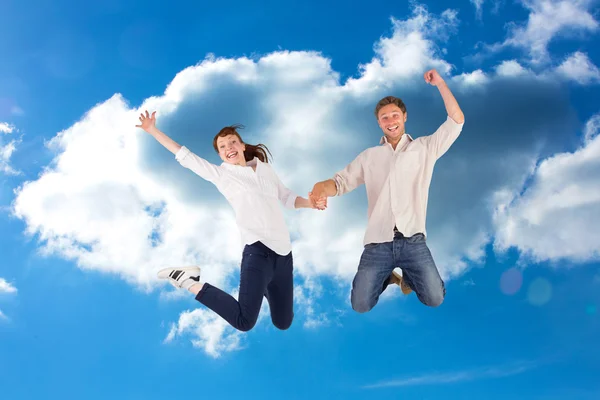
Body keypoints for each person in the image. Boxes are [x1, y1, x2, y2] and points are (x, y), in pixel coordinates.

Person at [136, 111, 326, 332]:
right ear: (220, 155)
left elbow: (286, 197)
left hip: (284, 255)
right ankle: (187, 280)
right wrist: (152, 130)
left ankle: (258, 287)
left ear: (243, 146)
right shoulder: (222, 175)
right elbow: (185, 156)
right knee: (244, 322)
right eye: (223, 147)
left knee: (283, 323)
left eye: (232, 142)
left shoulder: (264, 170)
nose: (229, 148)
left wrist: (311, 204)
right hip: (257, 253)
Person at [309, 69, 465, 312]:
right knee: (361, 305)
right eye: (384, 118)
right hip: (377, 243)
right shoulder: (369, 156)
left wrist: (441, 84)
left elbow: (456, 121)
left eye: (395, 115)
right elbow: (339, 183)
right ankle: (387, 276)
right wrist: (320, 188)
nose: (390, 121)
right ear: (379, 123)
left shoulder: (424, 148)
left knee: (435, 298)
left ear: (404, 117)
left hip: (413, 240)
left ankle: (409, 278)